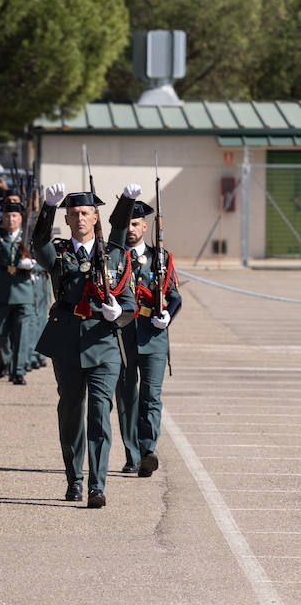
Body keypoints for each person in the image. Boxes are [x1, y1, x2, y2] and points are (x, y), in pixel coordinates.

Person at [31, 184, 137, 508]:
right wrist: (46, 208)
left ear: (95, 218)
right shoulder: (60, 253)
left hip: (103, 342)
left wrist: (119, 313)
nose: (80, 218)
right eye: (74, 213)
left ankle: (97, 486)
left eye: (85, 213)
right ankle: (74, 479)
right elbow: (38, 244)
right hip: (67, 343)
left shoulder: (114, 255)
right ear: (67, 217)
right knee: (72, 412)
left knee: (100, 413)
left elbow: (129, 304)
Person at [108, 186, 182, 478]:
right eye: (126, 223)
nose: (131, 229)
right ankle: (132, 454)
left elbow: (174, 295)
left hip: (152, 335)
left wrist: (168, 315)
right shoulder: (113, 257)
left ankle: (148, 449)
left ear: (145, 226)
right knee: (126, 397)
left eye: (136, 224)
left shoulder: (160, 258)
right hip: (122, 335)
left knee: (151, 395)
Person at [0, 199, 37, 385]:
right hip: (1, 288)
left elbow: (43, 254)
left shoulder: (29, 234)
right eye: (7, 216)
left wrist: (33, 265)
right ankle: (4, 357)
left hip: (23, 287)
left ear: (21, 217)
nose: (10, 219)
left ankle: (18, 371)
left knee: (22, 333)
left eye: (14, 216)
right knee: (1, 332)